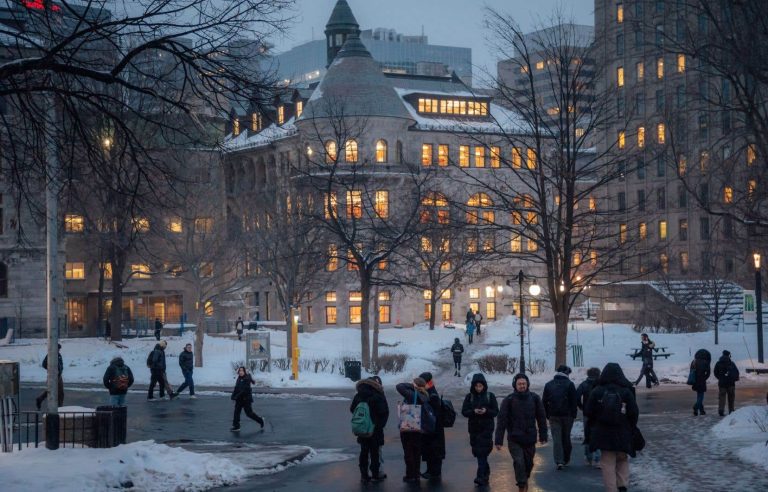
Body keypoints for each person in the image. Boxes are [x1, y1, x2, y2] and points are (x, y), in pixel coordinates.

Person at [584, 362, 639, 492]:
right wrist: (630, 426)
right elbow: (634, 412)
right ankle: (622, 485)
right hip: (622, 432)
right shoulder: (626, 390)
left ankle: (611, 489)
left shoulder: (597, 390)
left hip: (603, 433)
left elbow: (588, 411)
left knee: (607, 463)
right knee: (622, 459)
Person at [494, 373, 548, 492]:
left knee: (528, 464)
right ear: (515, 385)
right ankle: (522, 486)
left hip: (530, 438)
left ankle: (524, 479)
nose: (522, 386)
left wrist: (543, 435)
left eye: (524, 383)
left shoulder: (535, 398)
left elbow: (541, 418)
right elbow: (501, 421)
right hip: (514, 439)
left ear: (527, 384)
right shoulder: (509, 400)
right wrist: (498, 440)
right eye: (519, 384)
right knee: (519, 462)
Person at [461, 373, 499, 486]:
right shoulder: (469, 396)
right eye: (476, 386)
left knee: (482, 452)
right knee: (478, 453)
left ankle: (480, 476)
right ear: (473, 386)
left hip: (486, 429)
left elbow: (495, 411)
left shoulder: (490, 396)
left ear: (484, 386)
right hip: (473, 429)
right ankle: (485, 474)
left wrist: (486, 411)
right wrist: (473, 412)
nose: (478, 388)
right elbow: (464, 411)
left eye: (480, 386)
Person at [351, 377, 389, 482]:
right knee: (375, 452)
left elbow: (352, 409)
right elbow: (384, 412)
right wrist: (379, 425)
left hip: (362, 428)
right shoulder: (378, 395)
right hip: (375, 429)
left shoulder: (358, 395)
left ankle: (364, 475)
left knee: (364, 451)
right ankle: (376, 475)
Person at [395, 377, 432, 483]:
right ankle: (416, 474)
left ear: (416, 385)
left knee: (408, 451)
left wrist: (412, 386)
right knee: (416, 451)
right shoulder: (424, 395)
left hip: (409, 425)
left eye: (413, 383)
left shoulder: (412, 395)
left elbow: (399, 386)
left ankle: (410, 475)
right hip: (419, 427)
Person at [543, 364, 578, 470]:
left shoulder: (548, 384)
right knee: (566, 437)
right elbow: (574, 401)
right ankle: (566, 458)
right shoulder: (570, 384)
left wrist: (547, 414)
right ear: (567, 373)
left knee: (557, 439)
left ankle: (559, 461)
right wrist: (573, 414)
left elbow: (544, 401)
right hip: (567, 416)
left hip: (553, 415)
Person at [419, 372, 445, 480]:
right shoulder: (429, 392)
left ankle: (435, 472)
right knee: (430, 450)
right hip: (430, 427)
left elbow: (434, 412)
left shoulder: (432, 394)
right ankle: (430, 470)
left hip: (434, 428)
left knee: (434, 451)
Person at [576, 367, 602, 467]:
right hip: (599, 413)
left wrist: (581, 406)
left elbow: (577, 396)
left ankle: (588, 457)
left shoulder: (584, 384)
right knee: (598, 434)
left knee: (588, 434)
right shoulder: (601, 384)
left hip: (587, 413)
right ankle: (598, 459)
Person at [231, 366, 264, 430]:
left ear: (245, 372)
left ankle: (260, 420)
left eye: (242, 371)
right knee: (236, 412)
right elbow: (236, 388)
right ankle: (236, 426)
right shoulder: (239, 378)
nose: (240, 372)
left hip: (246, 399)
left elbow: (244, 390)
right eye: (240, 371)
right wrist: (233, 396)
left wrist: (236, 397)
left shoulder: (247, 379)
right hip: (239, 399)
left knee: (249, 414)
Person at [36, 344, 64, 410]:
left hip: (59, 376)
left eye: (59, 349)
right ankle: (60, 409)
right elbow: (44, 364)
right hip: (53, 376)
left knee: (54, 391)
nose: (59, 350)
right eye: (58, 349)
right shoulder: (50, 355)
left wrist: (59, 371)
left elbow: (60, 365)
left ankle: (40, 399)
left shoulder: (59, 355)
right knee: (58, 393)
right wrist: (51, 370)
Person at [713, 349, 739, 416]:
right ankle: (731, 410)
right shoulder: (731, 363)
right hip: (731, 384)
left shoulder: (718, 363)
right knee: (731, 397)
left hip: (722, 384)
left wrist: (720, 378)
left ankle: (721, 410)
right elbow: (736, 372)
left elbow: (715, 372)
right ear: (729, 355)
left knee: (722, 397)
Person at [690, 348, 712, 416]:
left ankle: (700, 410)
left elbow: (691, 371)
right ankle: (696, 407)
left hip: (695, 380)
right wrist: (704, 378)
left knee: (699, 395)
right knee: (701, 396)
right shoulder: (706, 362)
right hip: (702, 380)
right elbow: (708, 372)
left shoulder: (694, 361)